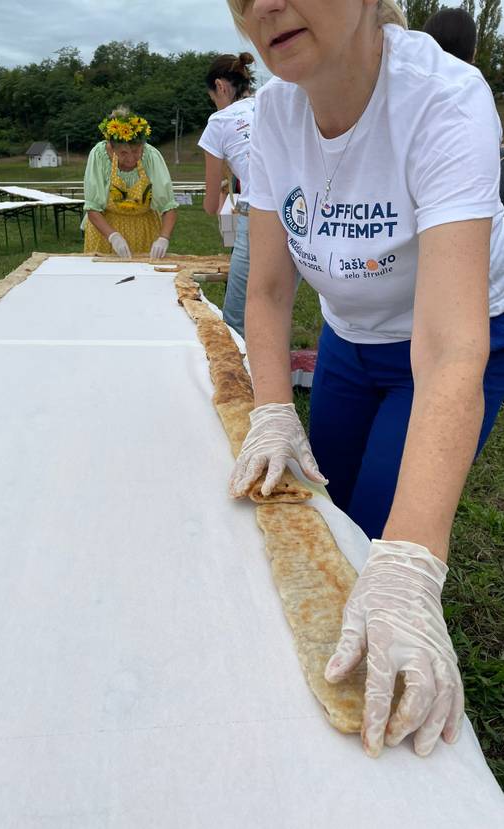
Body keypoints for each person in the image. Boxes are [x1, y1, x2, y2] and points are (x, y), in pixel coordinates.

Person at [225, 0, 504, 760]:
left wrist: (413, 563)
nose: (264, 7)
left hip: (445, 340)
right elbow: (270, 291)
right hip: (349, 341)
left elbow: (450, 350)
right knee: (326, 512)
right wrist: (273, 407)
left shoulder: (444, 100)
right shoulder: (272, 118)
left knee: (387, 537)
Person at [198, 53, 256, 337]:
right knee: (276, 305)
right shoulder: (271, 105)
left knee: (236, 320)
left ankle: (240, 380)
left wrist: (221, 192)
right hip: (298, 213)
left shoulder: (219, 121)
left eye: (214, 97)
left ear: (221, 86)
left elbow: (210, 205)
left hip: (255, 215)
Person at [83, 108, 178, 258]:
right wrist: (113, 237)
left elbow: (168, 207)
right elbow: (92, 207)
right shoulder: (99, 156)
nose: (131, 159)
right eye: (123, 153)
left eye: (136, 151)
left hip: (144, 231)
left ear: (143, 145)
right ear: (112, 148)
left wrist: (163, 238)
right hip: (105, 232)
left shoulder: (151, 157)